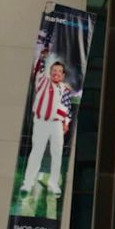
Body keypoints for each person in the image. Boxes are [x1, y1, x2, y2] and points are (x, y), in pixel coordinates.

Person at [20, 45, 72, 197]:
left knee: (57, 154)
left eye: (59, 72)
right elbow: (38, 70)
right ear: (50, 72)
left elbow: (67, 107)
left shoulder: (64, 89)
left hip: (56, 124)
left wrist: (65, 123)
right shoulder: (42, 81)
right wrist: (43, 58)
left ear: (63, 75)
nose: (56, 73)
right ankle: (27, 183)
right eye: (54, 71)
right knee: (37, 152)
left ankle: (53, 183)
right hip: (42, 122)